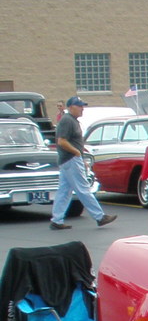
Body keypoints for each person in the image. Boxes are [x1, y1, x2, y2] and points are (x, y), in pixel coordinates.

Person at [50, 97, 116, 231]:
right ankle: (99, 217)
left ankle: (57, 219)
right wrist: (76, 153)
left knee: (64, 191)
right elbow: (62, 141)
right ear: (71, 107)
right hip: (70, 159)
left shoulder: (72, 121)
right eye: (79, 106)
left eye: (82, 106)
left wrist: (81, 157)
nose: (82, 108)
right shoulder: (67, 121)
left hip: (69, 160)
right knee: (83, 188)